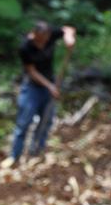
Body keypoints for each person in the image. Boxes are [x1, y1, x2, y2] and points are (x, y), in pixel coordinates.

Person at [10, 20, 76, 162]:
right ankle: (15, 157)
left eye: (45, 40)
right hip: (33, 86)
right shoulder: (25, 47)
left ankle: (36, 153)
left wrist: (69, 39)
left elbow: (68, 29)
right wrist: (50, 86)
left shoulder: (51, 35)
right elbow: (31, 71)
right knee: (24, 122)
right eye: (40, 40)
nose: (42, 43)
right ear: (34, 35)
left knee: (46, 120)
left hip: (49, 84)